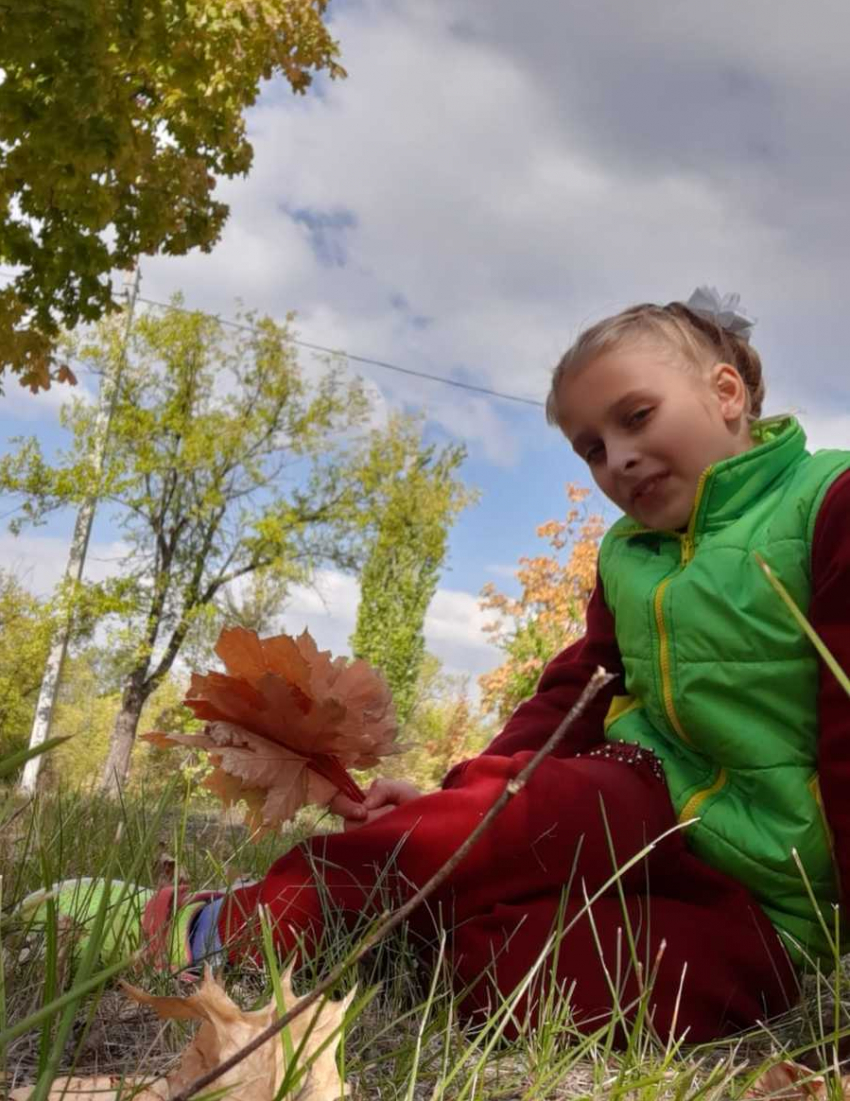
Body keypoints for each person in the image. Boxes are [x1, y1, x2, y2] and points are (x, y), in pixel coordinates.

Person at [29, 289, 850, 1044]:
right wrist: (461, 797)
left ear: (726, 394)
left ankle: (387, 940)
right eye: (593, 449)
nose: (620, 459)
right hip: (640, 796)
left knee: (519, 977)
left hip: (778, 898)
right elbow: (573, 695)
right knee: (503, 821)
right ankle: (222, 928)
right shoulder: (630, 555)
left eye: (638, 417)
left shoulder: (827, 503)